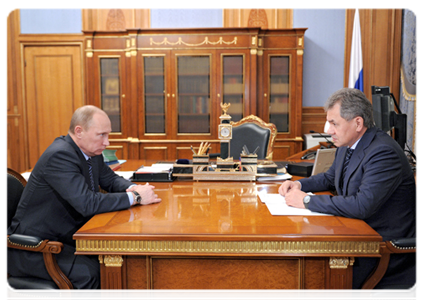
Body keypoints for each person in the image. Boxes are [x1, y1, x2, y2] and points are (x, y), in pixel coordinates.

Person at [6, 105, 161, 300]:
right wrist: (136, 198)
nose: (107, 142)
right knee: (93, 273)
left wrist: (133, 188)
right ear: (79, 131)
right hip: (34, 248)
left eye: (108, 135)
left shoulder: (90, 152)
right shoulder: (60, 155)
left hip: (67, 237)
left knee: (122, 261)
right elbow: (87, 203)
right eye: (101, 135)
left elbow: (111, 180)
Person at [278, 88, 419, 297]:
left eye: (334, 123)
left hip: (383, 252)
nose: (329, 130)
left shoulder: (383, 152)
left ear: (358, 123)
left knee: (312, 276)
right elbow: (329, 178)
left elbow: (361, 206)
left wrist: (307, 201)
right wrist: (300, 185)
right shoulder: (347, 144)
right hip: (355, 236)